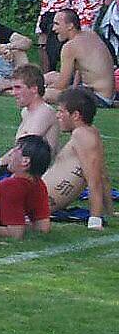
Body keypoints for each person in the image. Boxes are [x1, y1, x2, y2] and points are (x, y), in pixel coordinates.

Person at [43, 88, 114, 229]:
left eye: (61, 111)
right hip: (41, 201)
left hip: (39, 203)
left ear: (75, 115)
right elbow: (102, 175)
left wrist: (95, 220)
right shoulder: (90, 132)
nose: (58, 116)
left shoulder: (82, 135)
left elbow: (94, 179)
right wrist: (109, 211)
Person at [44, 9, 116, 106]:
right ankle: (25, 86)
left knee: (45, 94)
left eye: (57, 24)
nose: (53, 29)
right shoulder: (90, 33)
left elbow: (62, 85)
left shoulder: (70, 47)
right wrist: (74, 87)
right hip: (104, 94)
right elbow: (81, 68)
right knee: (51, 75)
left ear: (70, 26)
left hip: (98, 97)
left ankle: (28, 89)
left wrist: (46, 88)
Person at [0, 65, 59, 167]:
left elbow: (24, 148)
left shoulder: (45, 112)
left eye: (18, 88)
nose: (14, 93)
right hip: (23, 168)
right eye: (13, 88)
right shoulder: (25, 112)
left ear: (34, 89)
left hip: (37, 174)